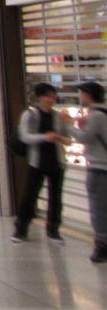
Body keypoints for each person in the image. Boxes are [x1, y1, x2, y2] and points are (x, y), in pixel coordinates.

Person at [12, 83, 71, 244]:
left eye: (53, 96)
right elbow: (25, 137)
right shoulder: (30, 115)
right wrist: (46, 137)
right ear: (40, 97)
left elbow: (68, 141)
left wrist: (60, 136)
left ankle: (53, 230)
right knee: (30, 196)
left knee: (56, 198)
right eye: (48, 95)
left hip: (57, 162)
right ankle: (21, 229)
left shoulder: (58, 117)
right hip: (37, 162)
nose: (52, 99)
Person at [62, 81, 107, 262]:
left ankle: (102, 246)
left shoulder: (96, 116)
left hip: (99, 169)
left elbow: (84, 138)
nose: (81, 97)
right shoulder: (102, 113)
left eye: (82, 93)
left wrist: (67, 125)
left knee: (98, 209)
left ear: (89, 95)